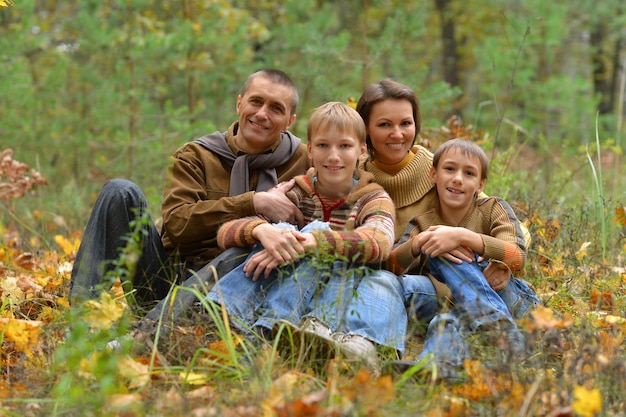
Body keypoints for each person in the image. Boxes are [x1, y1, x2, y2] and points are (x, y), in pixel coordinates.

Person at [69, 69, 311, 309]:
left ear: (290, 120)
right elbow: (177, 225)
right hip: (171, 281)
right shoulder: (196, 155)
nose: (261, 114)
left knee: (241, 251)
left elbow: (345, 186)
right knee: (119, 191)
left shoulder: (306, 159)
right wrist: (253, 202)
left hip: (253, 286)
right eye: (255, 102)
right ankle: (80, 314)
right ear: (239, 104)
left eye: (276, 108)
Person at [207, 102, 406, 368]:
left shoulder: (373, 198)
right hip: (285, 286)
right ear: (310, 150)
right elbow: (225, 234)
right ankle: (223, 315)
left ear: (361, 151)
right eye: (323, 146)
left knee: (317, 231)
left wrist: (314, 241)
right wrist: (262, 230)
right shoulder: (294, 193)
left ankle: (275, 328)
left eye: (344, 146)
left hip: (336, 296)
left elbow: (379, 243)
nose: (333, 156)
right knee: (281, 230)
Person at [387, 139, 540, 376]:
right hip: (456, 305)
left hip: (511, 298)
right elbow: (392, 264)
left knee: (440, 243)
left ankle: (495, 322)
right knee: (445, 318)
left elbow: (517, 256)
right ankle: (437, 367)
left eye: (468, 173)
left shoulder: (493, 208)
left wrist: (463, 237)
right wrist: (418, 242)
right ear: (433, 175)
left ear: (480, 184)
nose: (458, 178)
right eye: (450, 169)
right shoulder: (423, 223)